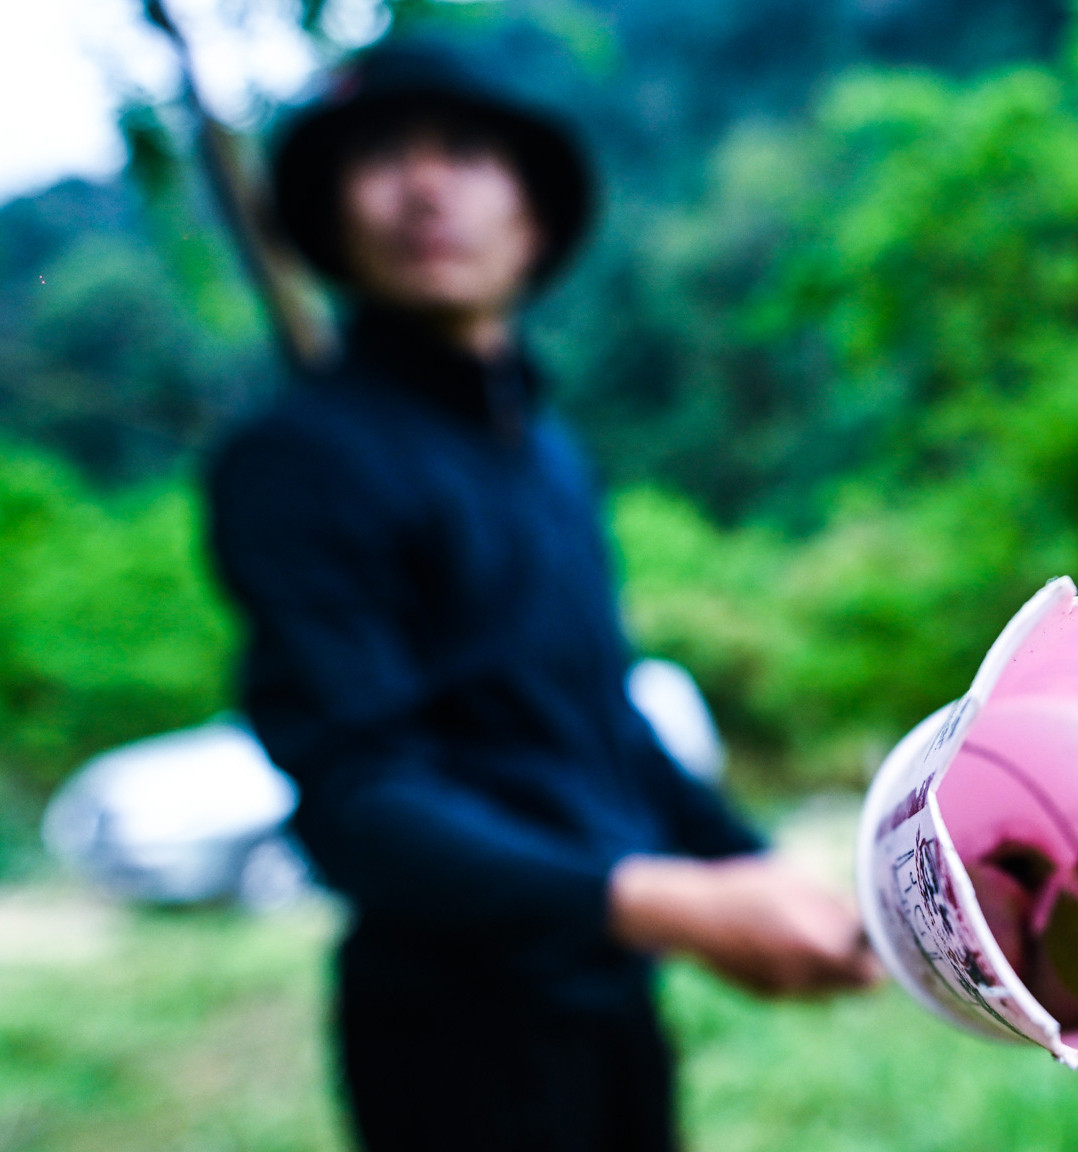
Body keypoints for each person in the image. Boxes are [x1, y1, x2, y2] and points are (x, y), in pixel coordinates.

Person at [206, 37, 876, 1152]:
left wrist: (748, 864)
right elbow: (360, 798)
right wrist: (671, 905)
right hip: (451, 1034)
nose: (425, 185)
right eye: (381, 157)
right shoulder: (298, 458)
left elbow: (598, 716)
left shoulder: (546, 445)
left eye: (463, 152)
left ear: (530, 210)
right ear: (328, 215)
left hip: (611, 1004)